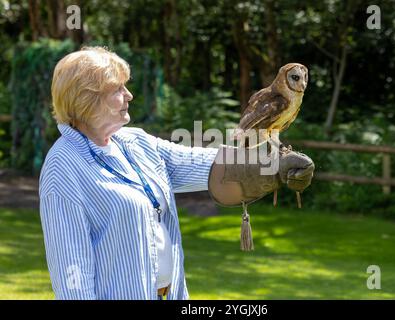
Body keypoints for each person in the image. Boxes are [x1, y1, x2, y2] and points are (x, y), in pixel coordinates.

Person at [39, 46, 315, 300]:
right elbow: (71, 274)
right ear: (87, 98)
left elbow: (204, 163)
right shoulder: (63, 167)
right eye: (117, 89)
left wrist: (272, 166)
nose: (129, 95)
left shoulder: (135, 142)